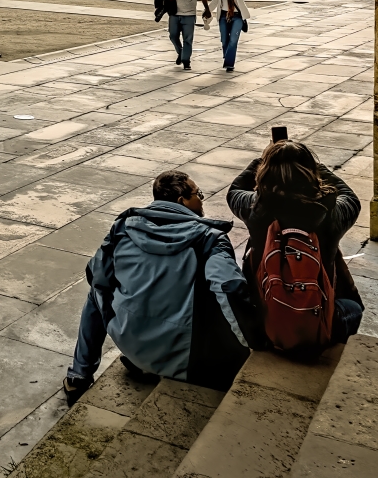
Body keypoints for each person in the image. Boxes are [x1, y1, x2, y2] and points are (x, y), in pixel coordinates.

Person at [65, 171, 253, 404]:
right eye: (198, 194)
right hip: (186, 359)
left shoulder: (123, 228)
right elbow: (231, 290)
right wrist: (253, 345)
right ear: (181, 200)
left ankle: (78, 375)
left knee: (97, 292)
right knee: (218, 293)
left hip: (133, 347)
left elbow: (95, 275)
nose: (201, 200)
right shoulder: (209, 239)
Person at [228, 140, 363, 355]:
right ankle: (322, 336)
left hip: (267, 311)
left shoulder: (255, 207)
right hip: (320, 312)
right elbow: (351, 198)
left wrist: (265, 159)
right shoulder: (331, 213)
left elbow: (234, 191)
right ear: (310, 172)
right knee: (354, 308)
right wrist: (316, 168)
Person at [167, 0, 209, 70]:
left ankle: (186, 61)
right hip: (174, 14)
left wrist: (207, 8)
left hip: (189, 14)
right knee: (173, 36)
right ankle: (181, 53)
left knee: (188, 39)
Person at [209, 0, 252, 72]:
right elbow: (215, 2)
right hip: (224, 16)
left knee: (233, 40)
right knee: (224, 40)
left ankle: (229, 64)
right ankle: (227, 56)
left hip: (237, 17)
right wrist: (207, 11)